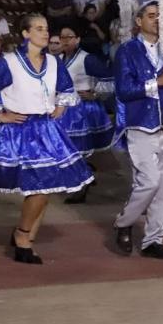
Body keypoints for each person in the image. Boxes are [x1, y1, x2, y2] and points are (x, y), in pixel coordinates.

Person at [0, 13, 91, 265]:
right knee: (40, 188)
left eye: (46, 29)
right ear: (25, 34)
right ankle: (23, 236)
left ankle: (26, 238)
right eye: (38, 29)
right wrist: (1, 115)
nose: (45, 33)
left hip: (47, 129)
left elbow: (67, 91)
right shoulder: (7, 63)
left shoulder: (55, 63)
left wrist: (61, 107)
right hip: (21, 131)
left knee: (46, 187)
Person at [111, 0, 163, 260]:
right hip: (140, 124)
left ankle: (154, 239)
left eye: (159, 14)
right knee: (149, 181)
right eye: (151, 15)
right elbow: (124, 90)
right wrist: (157, 82)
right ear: (139, 21)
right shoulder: (127, 51)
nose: (157, 19)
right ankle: (123, 222)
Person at [58, 24, 115, 203]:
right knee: (67, 149)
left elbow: (109, 78)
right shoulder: (58, 58)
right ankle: (85, 174)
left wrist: (96, 94)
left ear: (77, 39)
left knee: (76, 149)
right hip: (64, 109)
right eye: (62, 37)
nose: (65, 40)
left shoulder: (86, 59)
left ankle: (81, 185)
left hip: (81, 111)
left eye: (69, 37)